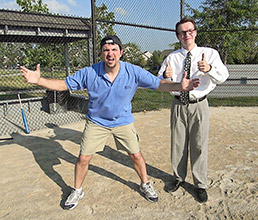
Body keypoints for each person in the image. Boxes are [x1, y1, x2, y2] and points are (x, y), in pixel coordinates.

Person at [21, 35, 200, 210]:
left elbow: (158, 84)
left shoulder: (133, 71)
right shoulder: (90, 72)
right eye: (106, 50)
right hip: (96, 122)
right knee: (83, 158)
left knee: (136, 155)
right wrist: (39, 81)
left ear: (121, 52)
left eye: (114, 49)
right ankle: (77, 190)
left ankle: (145, 184)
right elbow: (64, 84)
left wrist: (179, 86)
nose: (110, 53)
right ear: (101, 53)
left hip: (123, 121)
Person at [158, 18, 229, 203]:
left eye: (190, 31)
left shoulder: (209, 54)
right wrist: (166, 77)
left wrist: (209, 68)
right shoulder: (171, 58)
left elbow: (223, 76)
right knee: (178, 144)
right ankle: (178, 178)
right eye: (182, 32)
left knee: (199, 144)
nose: (186, 35)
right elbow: (159, 82)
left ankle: (200, 184)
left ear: (195, 32)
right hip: (178, 105)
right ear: (177, 36)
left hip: (199, 104)